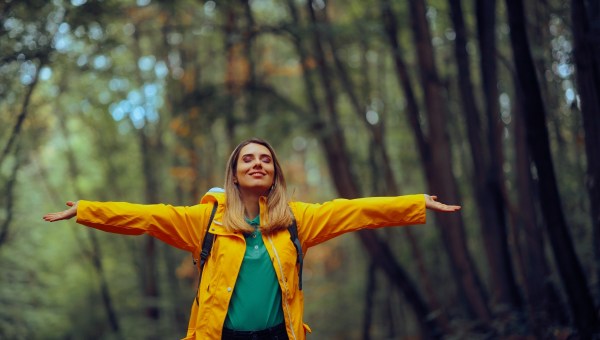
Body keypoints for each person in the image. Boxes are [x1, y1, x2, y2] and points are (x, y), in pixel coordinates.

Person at [43, 137, 461, 340]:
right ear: (235, 171)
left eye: (265, 159)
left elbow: (358, 211)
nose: (257, 164)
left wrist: (415, 203)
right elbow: (147, 218)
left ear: (274, 172)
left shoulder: (298, 220)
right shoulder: (204, 221)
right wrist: (86, 210)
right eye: (249, 159)